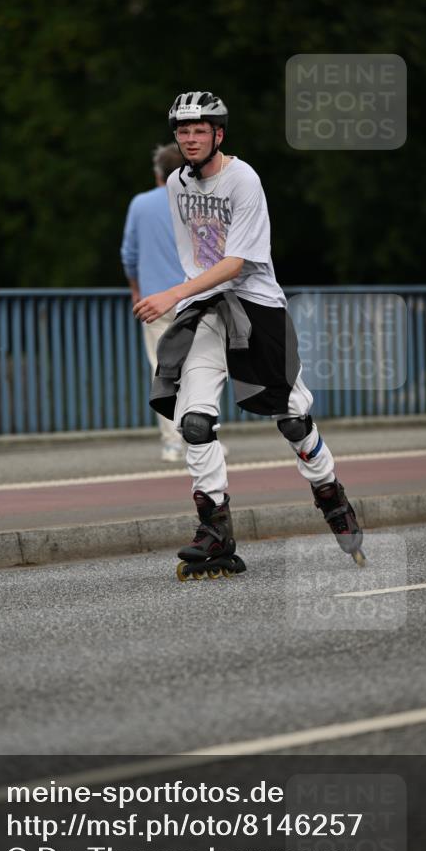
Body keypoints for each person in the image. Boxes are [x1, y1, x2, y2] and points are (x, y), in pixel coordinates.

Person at [134, 91, 364, 577]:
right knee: (193, 422)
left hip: (256, 305)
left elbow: (236, 263)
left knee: (292, 419)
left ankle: (331, 494)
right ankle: (215, 532)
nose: (190, 139)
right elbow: (195, 255)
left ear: (219, 134)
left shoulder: (244, 179)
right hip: (206, 308)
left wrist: (173, 294)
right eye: (183, 131)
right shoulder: (177, 184)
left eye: (199, 130)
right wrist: (188, 297)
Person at [120, 143, 187, 461]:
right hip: (194, 295)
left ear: (157, 173)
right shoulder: (196, 200)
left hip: (153, 299)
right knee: (202, 366)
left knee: (163, 369)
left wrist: (135, 289)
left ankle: (173, 440)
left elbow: (129, 254)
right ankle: (204, 433)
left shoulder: (141, 204)